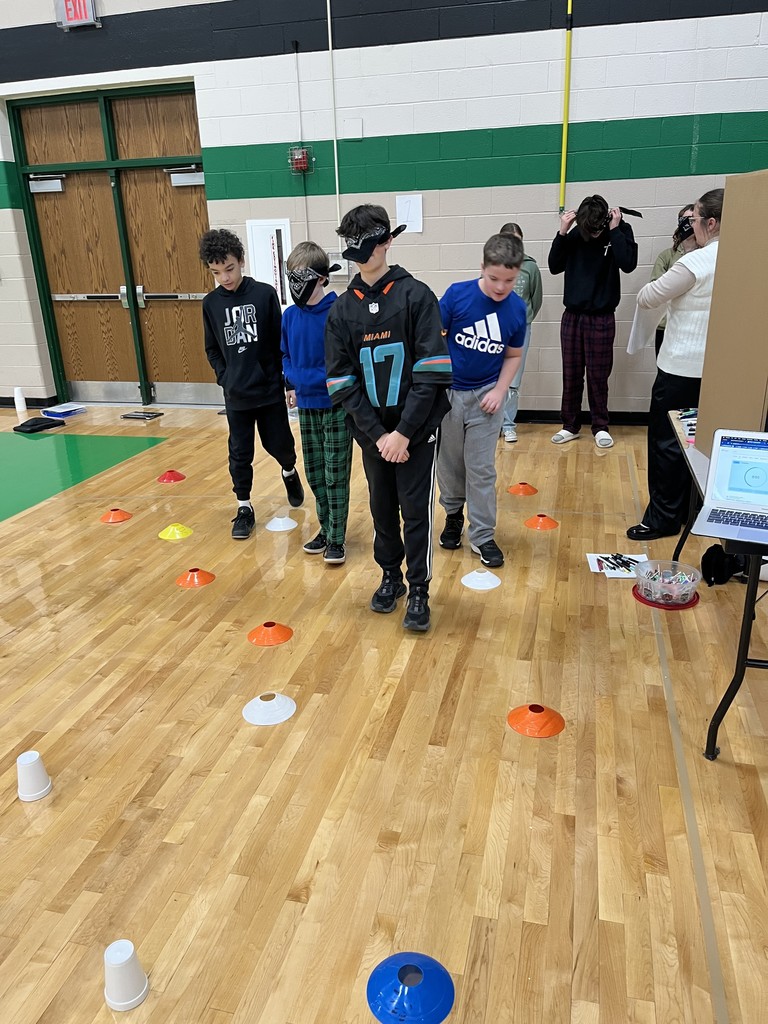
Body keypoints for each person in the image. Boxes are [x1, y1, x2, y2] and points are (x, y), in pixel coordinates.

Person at [324, 204, 451, 632]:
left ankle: (419, 589)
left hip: (415, 434)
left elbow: (431, 372)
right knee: (381, 510)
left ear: (387, 241)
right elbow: (341, 382)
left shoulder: (417, 296)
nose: (362, 254)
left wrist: (403, 433)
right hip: (373, 436)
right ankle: (390, 576)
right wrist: (379, 435)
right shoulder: (342, 311)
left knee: (415, 511)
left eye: (370, 244)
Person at [627, 188, 723, 541]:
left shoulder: (695, 260)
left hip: (681, 367)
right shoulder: (745, 257)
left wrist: (685, 251)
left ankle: (663, 518)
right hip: (718, 370)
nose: (691, 226)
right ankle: (692, 512)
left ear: (710, 223)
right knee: (702, 443)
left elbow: (648, 295)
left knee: (668, 443)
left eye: (694, 220)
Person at [200, 228, 304, 539]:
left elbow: (278, 342)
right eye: (216, 272)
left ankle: (288, 471)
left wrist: (286, 383)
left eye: (229, 269)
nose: (225, 278)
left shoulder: (264, 294)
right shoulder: (210, 304)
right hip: (237, 396)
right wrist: (225, 377)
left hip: (269, 390)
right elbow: (212, 348)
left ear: (241, 261)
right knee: (240, 452)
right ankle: (244, 506)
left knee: (280, 446)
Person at [437, 233, 526, 568]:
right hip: (448, 395)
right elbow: (433, 338)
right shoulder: (457, 296)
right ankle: (453, 516)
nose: (501, 287)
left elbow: (513, 356)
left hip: (486, 398)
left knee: (481, 469)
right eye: (494, 279)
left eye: (510, 280)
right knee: (449, 464)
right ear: (482, 268)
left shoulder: (517, 309)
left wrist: (501, 390)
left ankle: (484, 535)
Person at [548, 195, 638, 449]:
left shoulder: (619, 230)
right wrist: (562, 232)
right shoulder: (576, 234)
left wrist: (615, 230)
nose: (594, 234)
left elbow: (627, 264)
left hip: (602, 315)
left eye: (598, 229)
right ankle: (570, 425)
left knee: (599, 375)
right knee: (572, 373)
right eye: (589, 229)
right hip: (573, 315)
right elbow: (555, 266)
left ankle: (600, 426)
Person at [281, 241, 352, 565]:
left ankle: (337, 537)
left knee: (335, 472)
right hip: (306, 405)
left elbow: (345, 360)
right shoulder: (290, 316)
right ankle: (326, 527)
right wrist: (291, 383)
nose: (296, 285)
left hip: (336, 404)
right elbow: (285, 354)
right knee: (314, 473)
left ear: (322, 278)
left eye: (302, 277)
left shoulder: (339, 313)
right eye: (290, 277)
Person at [498, 223, 542, 442]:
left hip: (520, 330)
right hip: (496, 329)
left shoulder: (530, 267)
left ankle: (508, 425)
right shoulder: (493, 265)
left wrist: (524, 321)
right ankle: (491, 424)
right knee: (492, 377)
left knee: (513, 380)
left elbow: (536, 299)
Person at [650, 204, 697, 355]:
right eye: (686, 220)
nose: (689, 224)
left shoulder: (706, 256)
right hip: (666, 327)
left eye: (694, 219)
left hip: (694, 326)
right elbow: (656, 290)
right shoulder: (666, 257)